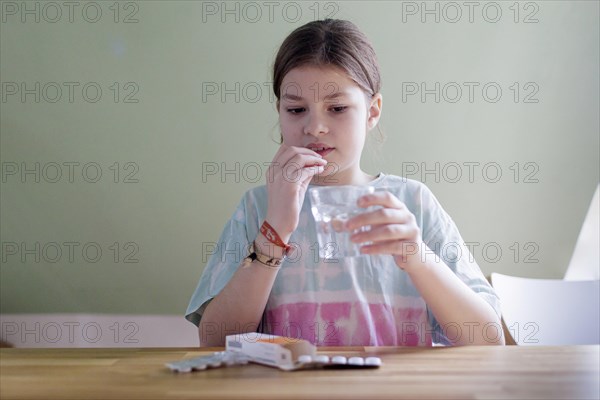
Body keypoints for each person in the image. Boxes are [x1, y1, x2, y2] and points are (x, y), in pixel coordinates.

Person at [186, 19, 504, 347]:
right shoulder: (258, 208)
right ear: (279, 111)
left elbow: (488, 339)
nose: (315, 127)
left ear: (372, 111)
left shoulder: (412, 202)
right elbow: (214, 340)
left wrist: (415, 255)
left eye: (337, 108)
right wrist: (275, 230)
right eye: (296, 109)